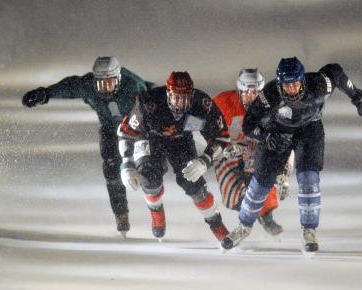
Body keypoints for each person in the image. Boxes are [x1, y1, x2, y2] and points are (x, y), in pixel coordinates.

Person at [222, 57, 362, 252]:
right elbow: (249, 124)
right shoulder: (270, 94)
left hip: (309, 131)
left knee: (309, 179)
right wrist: (267, 137)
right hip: (278, 133)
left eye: (295, 84)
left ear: (303, 81)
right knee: (260, 183)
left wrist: (358, 97)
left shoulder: (319, 85)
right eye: (286, 85)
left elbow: (336, 73)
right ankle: (243, 226)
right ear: (279, 84)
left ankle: (309, 229)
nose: (291, 89)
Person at [21, 56, 155, 237]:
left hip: (136, 129)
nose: (105, 89)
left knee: (148, 166)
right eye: (101, 84)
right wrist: (45, 94)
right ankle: (121, 214)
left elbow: (152, 104)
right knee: (111, 169)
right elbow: (69, 87)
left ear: (119, 79)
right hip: (110, 129)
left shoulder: (133, 86)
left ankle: (155, 205)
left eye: (109, 84)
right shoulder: (88, 86)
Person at [117, 71, 230, 242]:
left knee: (194, 184)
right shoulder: (148, 103)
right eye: (176, 97)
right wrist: (126, 163)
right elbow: (125, 132)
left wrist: (205, 160)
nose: (180, 103)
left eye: (185, 98)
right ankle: (156, 210)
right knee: (149, 178)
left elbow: (222, 136)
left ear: (192, 96)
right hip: (150, 138)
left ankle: (217, 225)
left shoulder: (203, 104)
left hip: (181, 140)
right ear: (167, 94)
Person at [209, 68, 295, 236]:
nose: (251, 95)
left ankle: (266, 213)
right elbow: (204, 129)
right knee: (232, 191)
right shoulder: (222, 102)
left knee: (267, 164)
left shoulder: (273, 106)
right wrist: (223, 147)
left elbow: (287, 140)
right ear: (238, 91)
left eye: (255, 91)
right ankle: (247, 207)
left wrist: (285, 173)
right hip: (229, 151)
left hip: (258, 149)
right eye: (246, 91)